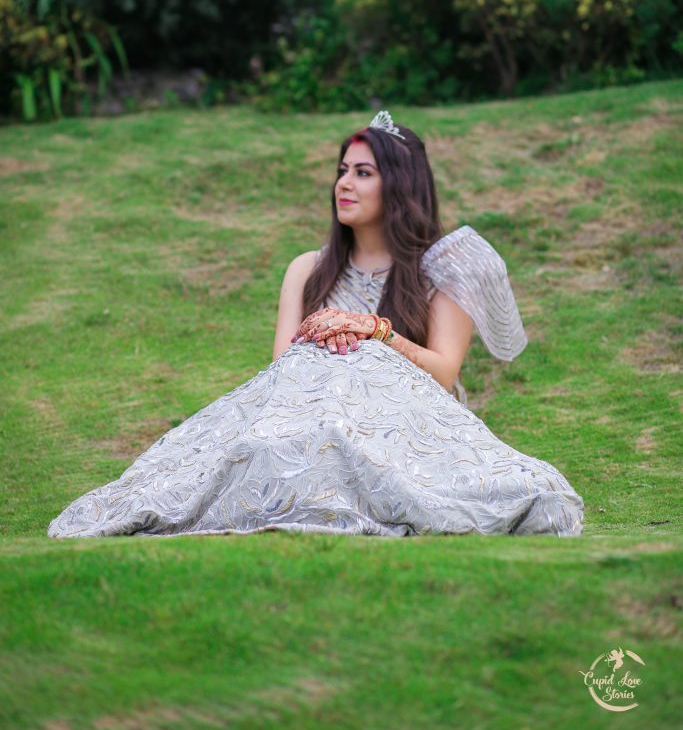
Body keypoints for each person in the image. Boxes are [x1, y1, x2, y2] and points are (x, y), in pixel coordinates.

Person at [47, 110, 584, 539]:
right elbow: (282, 373)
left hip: (404, 427)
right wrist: (323, 339)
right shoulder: (307, 269)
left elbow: (444, 374)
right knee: (270, 440)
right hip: (309, 421)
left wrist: (374, 331)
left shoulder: (442, 269)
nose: (343, 184)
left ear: (399, 187)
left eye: (363, 173)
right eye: (342, 171)